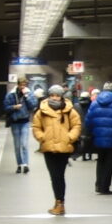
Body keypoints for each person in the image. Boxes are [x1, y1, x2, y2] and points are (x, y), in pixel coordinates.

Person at [30, 84, 82, 215]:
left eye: (57, 95)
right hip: (49, 147)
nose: (54, 98)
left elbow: (76, 125)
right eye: (52, 95)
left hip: (64, 147)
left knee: (58, 176)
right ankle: (59, 202)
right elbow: (36, 126)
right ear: (49, 95)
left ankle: (60, 203)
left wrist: (70, 138)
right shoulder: (42, 110)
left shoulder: (69, 110)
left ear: (61, 96)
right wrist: (42, 138)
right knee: (55, 176)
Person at [84, 81, 112, 194]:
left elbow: (88, 121)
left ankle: (98, 185)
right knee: (110, 163)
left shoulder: (94, 104)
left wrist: (93, 131)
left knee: (101, 161)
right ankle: (104, 187)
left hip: (98, 137)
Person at [1, 83, 37, 173]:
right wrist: (14, 107)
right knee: (17, 146)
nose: (22, 87)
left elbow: (33, 105)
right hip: (15, 122)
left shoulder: (29, 93)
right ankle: (19, 164)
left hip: (25, 122)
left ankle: (25, 165)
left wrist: (27, 96)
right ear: (18, 85)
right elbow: (5, 107)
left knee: (24, 144)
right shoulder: (11, 94)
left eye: (24, 85)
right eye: (21, 85)